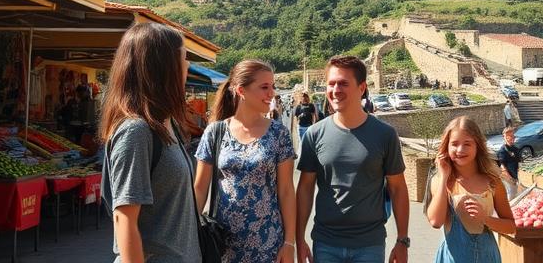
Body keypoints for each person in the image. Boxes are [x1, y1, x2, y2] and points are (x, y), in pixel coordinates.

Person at [100, 23, 200, 263]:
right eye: (183, 58)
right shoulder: (136, 132)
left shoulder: (167, 124)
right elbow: (124, 220)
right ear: (162, 67)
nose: (187, 66)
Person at [296, 55, 409, 263]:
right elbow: (305, 188)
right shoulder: (314, 134)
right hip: (325, 243)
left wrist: (402, 240)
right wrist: (299, 239)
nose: (335, 90)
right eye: (331, 84)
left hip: (370, 244)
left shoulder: (385, 134)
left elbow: (398, 188)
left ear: (362, 87)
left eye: (343, 83)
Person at [195, 60, 296, 263]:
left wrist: (289, 243)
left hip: (268, 242)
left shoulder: (279, 134)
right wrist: (190, 235)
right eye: (264, 87)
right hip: (222, 243)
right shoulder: (215, 132)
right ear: (241, 90)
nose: (271, 93)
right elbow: (199, 188)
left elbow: (286, 190)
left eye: (273, 86)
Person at [426, 117, 515, 263]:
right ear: (446, 147)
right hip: (452, 258)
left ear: (477, 146)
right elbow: (436, 221)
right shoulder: (439, 181)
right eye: (454, 144)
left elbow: (511, 227)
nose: (460, 150)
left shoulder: (493, 182)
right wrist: (443, 177)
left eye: (467, 144)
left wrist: (485, 219)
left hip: (487, 258)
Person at [496, 127, 522, 201]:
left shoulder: (515, 148)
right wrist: (510, 178)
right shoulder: (502, 151)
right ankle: (509, 208)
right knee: (512, 193)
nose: (512, 139)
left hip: (516, 175)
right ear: (505, 138)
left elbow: (519, 162)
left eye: (513, 136)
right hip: (508, 177)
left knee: (518, 192)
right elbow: (502, 167)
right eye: (510, 137)